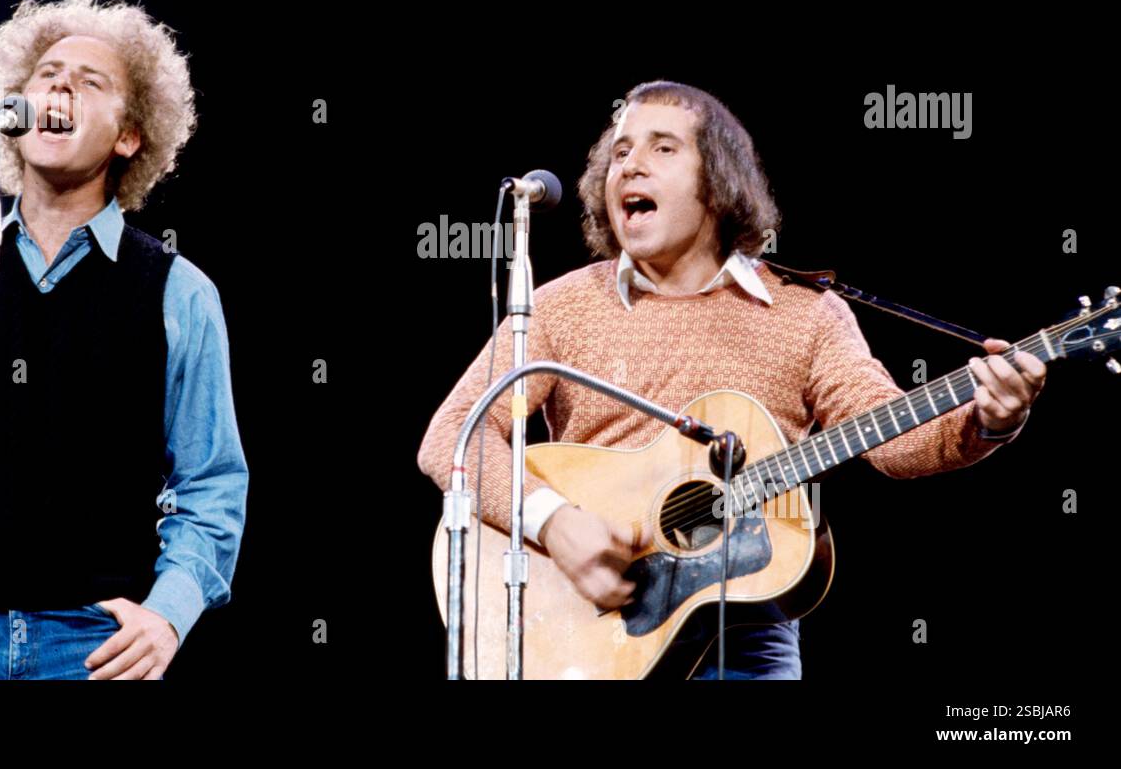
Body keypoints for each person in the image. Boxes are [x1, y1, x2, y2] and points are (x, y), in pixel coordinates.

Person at [417, 79, 1045, 679]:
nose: (631, 166)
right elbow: (453, 438)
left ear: (717, 183)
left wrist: (988, 420)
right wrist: (553, 521)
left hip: (747, 632)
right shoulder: (558, 307)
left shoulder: (805, 314)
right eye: (620, 152)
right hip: (586, 627)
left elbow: (889, 438)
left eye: (663, 148)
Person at [0, 0, 248, 680]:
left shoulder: (180, 292)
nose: (60, 84)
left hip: (95, 646)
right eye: (47, 74)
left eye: (91, 81)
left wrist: (169, 612)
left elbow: (210, 485)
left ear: (128, 135)